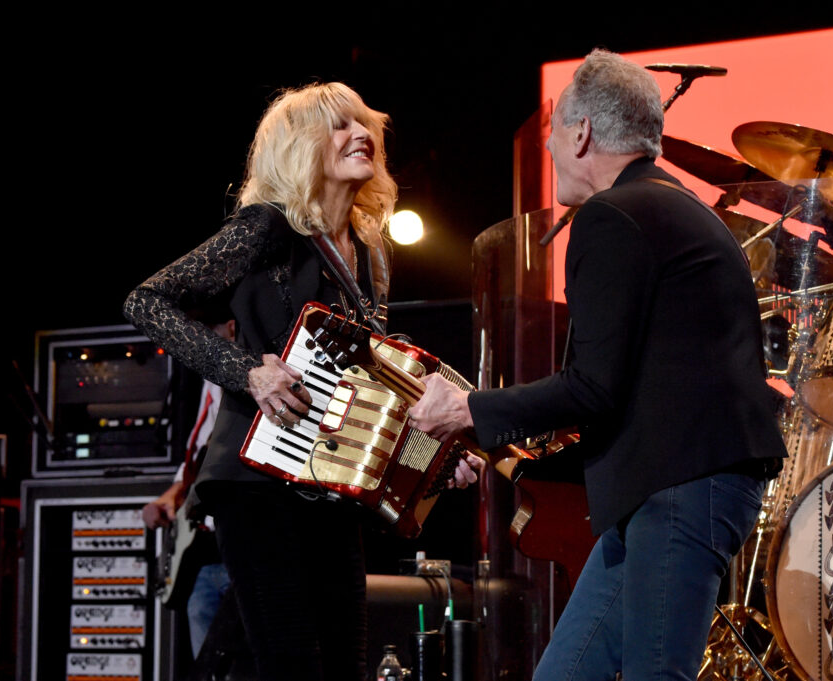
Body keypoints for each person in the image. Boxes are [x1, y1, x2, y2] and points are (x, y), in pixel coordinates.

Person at [409, 50, 788, 681]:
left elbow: (591, 388)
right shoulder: (669, 206)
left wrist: (465, 408)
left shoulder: (613, 216)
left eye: (556, 130)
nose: (552, 148)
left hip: (682, 485)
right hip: (662, 488)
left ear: (581, 132)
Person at [124, 82, 482, 681]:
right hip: (255, 481)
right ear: (298, 147)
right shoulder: (267, 227)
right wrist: (248, 371)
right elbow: (147, 301)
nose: (360, 135)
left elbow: (369, 380)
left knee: (345, 663)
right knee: (291, 665)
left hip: (328, 485)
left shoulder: (372, 254)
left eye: (364, 123)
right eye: (339, 126)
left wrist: (438, 454)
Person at [142, 310, 235, 659]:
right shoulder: (211, 381)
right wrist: (169, 498)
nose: (198, 345)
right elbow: (198, 457)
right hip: (203, 554)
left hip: (243, 548)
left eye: (205, 334)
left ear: (232, 327)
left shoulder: (260, 380)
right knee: (207, 667)